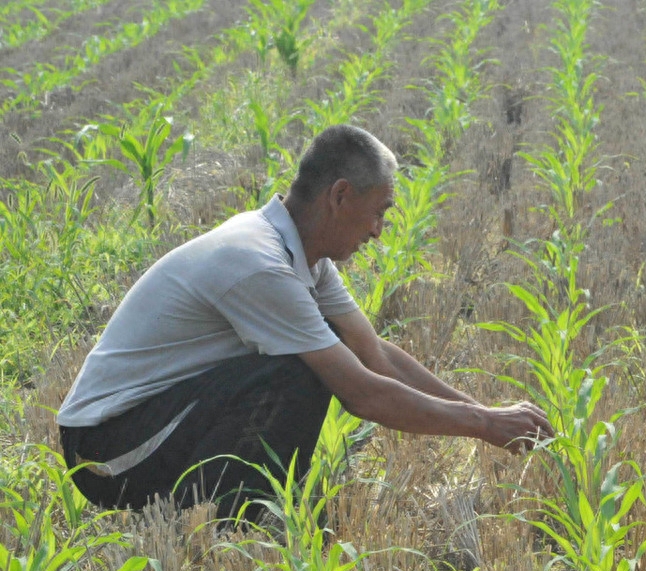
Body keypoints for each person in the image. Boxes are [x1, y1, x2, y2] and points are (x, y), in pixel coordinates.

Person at [57, 124, 553, 520]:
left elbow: (373, 353)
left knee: (313, 357)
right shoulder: (258, 262)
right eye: (379, 212)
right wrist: (484, 425)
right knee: (302, 372)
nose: (380, 232)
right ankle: (244, 530)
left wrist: (486, 412)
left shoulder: (308, 260)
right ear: (339, 197)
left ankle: (246, 520)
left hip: (155, 423)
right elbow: (362, 393)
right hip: (105, 451)